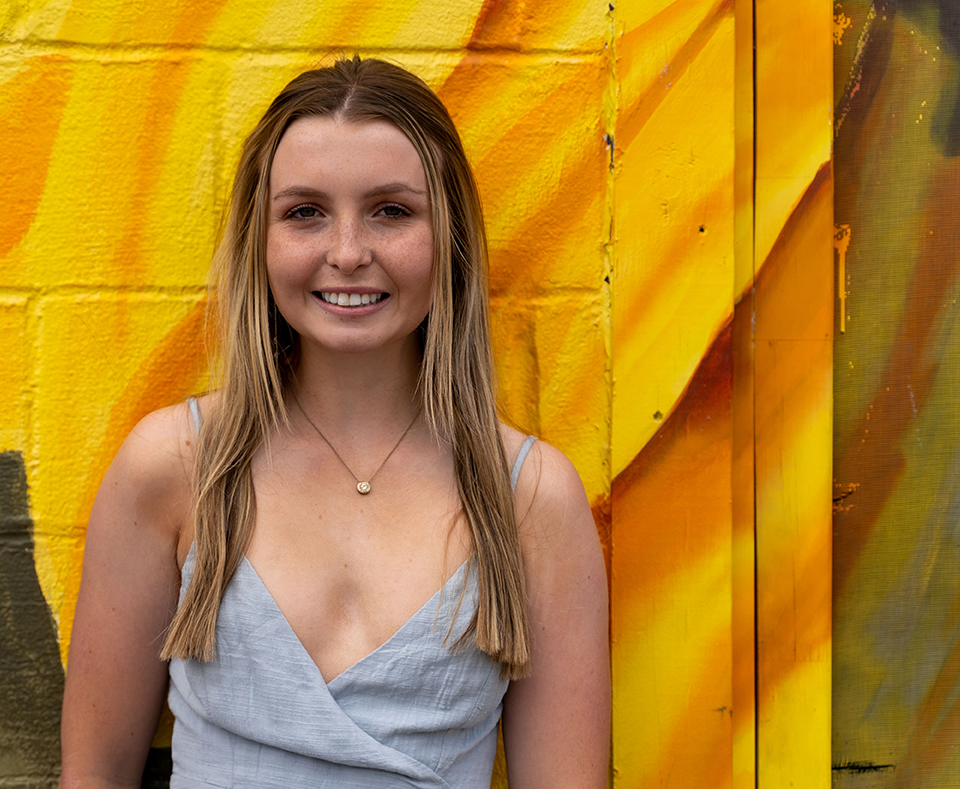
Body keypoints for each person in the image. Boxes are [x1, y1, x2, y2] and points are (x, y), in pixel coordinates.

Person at [59, 56, 609, 789]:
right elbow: (94, 777)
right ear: (259, 240)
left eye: (392, 211)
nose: (348, 253)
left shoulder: (529, 497)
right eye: (304, 213)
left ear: (448, 238)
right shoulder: (177, 465)